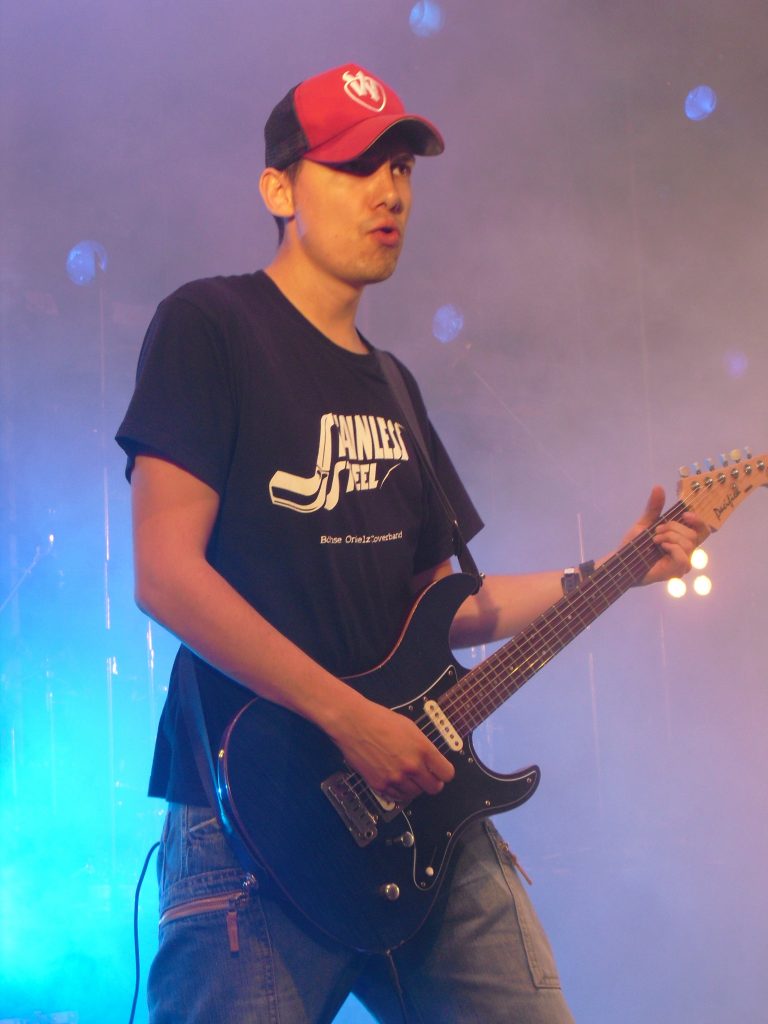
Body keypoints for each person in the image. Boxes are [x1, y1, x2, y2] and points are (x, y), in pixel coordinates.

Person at [116, 63, 706, 1024]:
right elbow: (166, 576)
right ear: (279, 189)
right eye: (355, 166)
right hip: (254, 815)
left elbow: (446, 606)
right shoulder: (210, 324)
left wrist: (616, 570)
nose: (388, 191)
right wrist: (350, 720)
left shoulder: (393, 383)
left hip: (422, 812)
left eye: (400, 168)